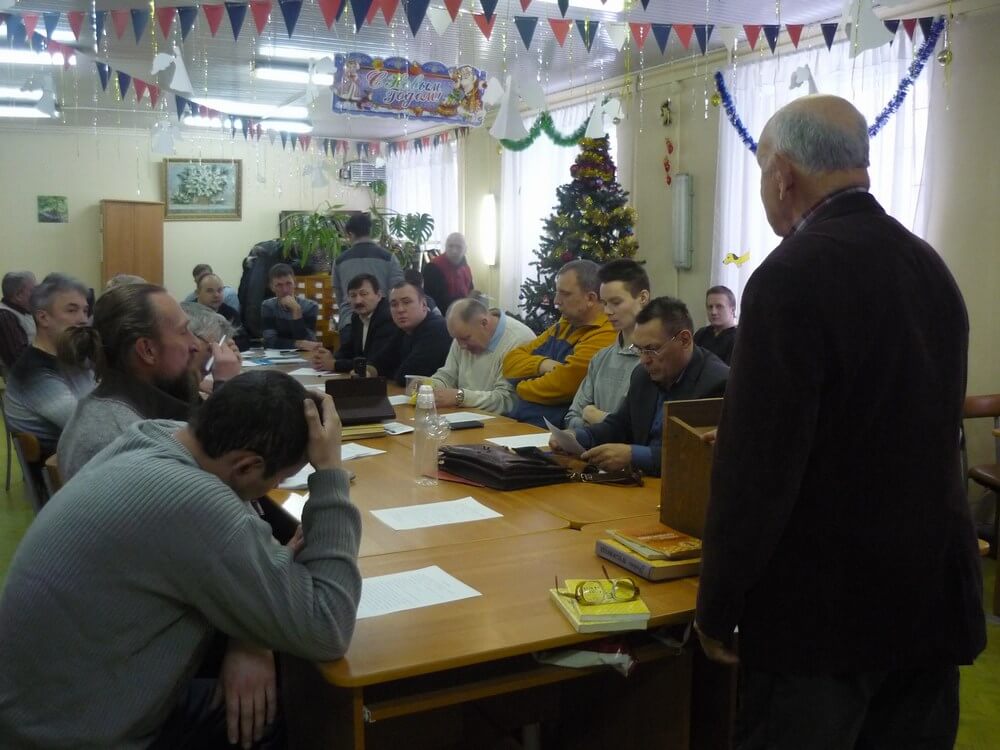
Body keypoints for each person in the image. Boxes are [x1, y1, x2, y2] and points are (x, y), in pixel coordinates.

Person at [694, 95, 985, 749]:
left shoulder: (788, 278)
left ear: (782, 175)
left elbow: (757, 469)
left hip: (823, 615)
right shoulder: (928, 265)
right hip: (929, 596)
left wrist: (718, 604)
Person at [0, 372, 361, 749]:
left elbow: (227, 536)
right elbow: (327, 625)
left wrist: (251, 629)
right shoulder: (193, 500)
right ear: (245, 466)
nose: (267, 492)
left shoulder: (155, 436)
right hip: (69, 735)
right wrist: (330, 471)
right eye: (277, 480)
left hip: (44, 703)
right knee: (291, 710)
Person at [57, 283, 240, 482]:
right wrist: (226, 388)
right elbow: (221, 482)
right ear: (148, 350)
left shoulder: (119, 400)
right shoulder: (131, 437)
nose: (195, 344)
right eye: (184, 331)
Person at [564, 296, 728, 476]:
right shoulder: (642, 375)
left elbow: (697, 455)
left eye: (652, 349)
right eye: (639, 349)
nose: (643, 360)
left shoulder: (718, 383)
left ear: (684, 340)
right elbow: (619, 425)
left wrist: (634, 455)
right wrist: (578, 437)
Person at [503, 259, 616, 428]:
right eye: (557, 293)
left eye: (565, 294)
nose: (556, 301)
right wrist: (543, 364)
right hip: (522, 424)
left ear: (591, 298)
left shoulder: (605, 334)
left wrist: (519, 387)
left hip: (554, 432)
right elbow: (510, 361)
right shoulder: (564, 325)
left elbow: (563, 386)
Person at [3, 273, 94, 456]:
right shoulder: (33, 373)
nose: (83, 319)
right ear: (43, 318)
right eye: (72, 310)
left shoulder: (74, 356)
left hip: (92, 457)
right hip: (65, 468)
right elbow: (92, 428)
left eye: (85, 311)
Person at [564, 259, 650, 430]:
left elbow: (640, 430)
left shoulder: (656, 360)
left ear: (642, 298)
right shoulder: (601, 357)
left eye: (616, 303)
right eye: (604, 303)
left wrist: (595, 416)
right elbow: (571, 417)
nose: (607, 311)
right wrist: (605, 425)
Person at [430, 297, 535, 415]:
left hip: (503, 422)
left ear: (484, 323)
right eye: (456, 339)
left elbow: (508, 402)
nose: (461, 346)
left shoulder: (518, 341)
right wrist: (429, 387)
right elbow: (448, 376)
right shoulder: (464, 332)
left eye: (465, 338)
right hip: (465, 415)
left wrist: (460, 397)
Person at [310, 273, 397, 374]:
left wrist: (335, 364)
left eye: (364, 294)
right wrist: (329, 358)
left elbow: (373, 362)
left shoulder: (386, 318)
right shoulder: (356, 316)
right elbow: (348, 349)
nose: (358, 301)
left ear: (378, 295)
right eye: (353, 295)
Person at [332, 213, 404, 331]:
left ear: (350, 234)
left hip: (349, 320)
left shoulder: (340, 261)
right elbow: (397, 290)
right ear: (369, 231)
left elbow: (339, 294)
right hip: (383, 321)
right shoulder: (389, 258)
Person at [382, 280, 451, 386]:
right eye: (394, 304)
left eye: (406, 302)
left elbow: (407, 377)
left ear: (424, 305)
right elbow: (380, 363)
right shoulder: (403, 329)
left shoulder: (437, 328)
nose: (400, 309)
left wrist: (390, 371)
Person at [260, 263, 320, 351]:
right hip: (277, 355)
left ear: (295, 283)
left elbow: (309, 342)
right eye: (279, 285)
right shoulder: (268, 306)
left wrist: (296, 311)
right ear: (272, 287)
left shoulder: (310, 306)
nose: (285, 290)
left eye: (288, 283)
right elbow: (269, 342)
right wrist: (298, 343)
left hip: (304, 356)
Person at [422, 232, 475, 314]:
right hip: (441, 316)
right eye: (450, 246)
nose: (454, 251)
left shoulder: (465, 267)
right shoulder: (433, 267)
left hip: (463, 313)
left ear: (465, 249)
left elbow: (470, 290)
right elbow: (432, 301)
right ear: (445, 247)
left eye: (459, 247)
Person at [195, 272, 247, 350]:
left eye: (220, 290)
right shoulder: (188, 313)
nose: (216, 295)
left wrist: (221, 346)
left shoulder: (230, 313)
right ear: (198, 293)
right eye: (210, 291)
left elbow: (244, 341)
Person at [0, 271, 37, 370]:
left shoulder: (26, 311)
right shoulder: (5, 316)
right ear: (18, 295)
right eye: (34, 290)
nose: (38, 294)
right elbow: (19, 359)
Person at [692, 285, 738, 365]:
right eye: (710, 307)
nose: (713, 312)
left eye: (719, 306)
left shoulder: (739, 339)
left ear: (732, 309)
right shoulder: (701, 333)